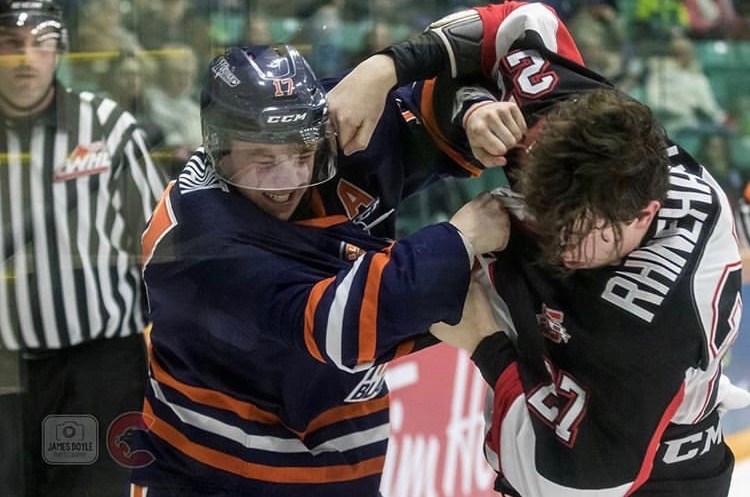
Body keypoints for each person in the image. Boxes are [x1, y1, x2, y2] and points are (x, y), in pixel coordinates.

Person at [330, 2, 750, 495]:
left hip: (653, 475)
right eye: (544, 212)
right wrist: (393, 72)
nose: (555, 242)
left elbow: (569, 484)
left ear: (645, 216)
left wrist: (485, 344)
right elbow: (520, 23)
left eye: (575, 232)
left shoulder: (652, 319)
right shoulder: (577, 129)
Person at [129, 44, 517, 496]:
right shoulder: (199, 235)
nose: (289, 178)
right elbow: (340, 327)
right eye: (263, 159)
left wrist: (471, 113)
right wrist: (460, 239)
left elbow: (439, 95)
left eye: (300, 153)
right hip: (210, 473)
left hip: (346, 462)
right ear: (218, 145)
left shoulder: (326, 128)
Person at [0, 1, 165, 496]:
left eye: (41, 43)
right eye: (10, 44)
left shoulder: (109, 128)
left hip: (96, 369)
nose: (26, 58)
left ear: (60, 50)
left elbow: (159, 243)